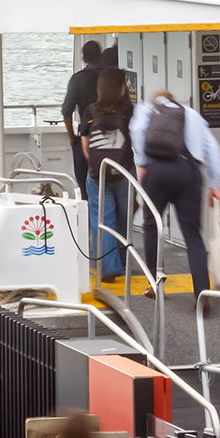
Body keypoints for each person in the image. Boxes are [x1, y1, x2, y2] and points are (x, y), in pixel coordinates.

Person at [129, 90, 220, 302]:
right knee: (193, 235)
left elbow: (136, 132)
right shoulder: (192, 114)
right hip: (189, 173)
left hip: (157, 172)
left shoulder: (147, 109)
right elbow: (213, 149)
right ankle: (202, 292)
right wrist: (215, 184)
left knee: (151, 226)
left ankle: (155, 285)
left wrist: (142, 165)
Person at [81, 68, 134, 279]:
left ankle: (108, 268)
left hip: (97, 174)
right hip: (124, 172)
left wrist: (95, 164)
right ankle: (122, 261)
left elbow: (85, 143)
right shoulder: (129, 111)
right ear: (121, 87)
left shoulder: (90, 110)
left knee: (102, 219)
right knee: (123, 218)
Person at [60, 41, 104, 190]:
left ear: (83, 58)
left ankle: (88, 210)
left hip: (86, 134)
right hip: (110, 135)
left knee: (84, 182)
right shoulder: (109, 77)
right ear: (100, 56)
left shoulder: (77, 79)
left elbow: (67, 111)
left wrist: (72, 138)